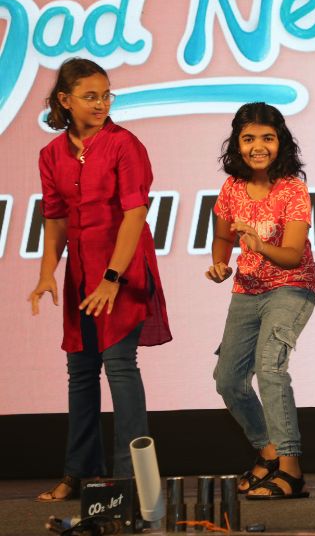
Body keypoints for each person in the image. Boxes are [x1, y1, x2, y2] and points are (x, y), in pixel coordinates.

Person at [28, 58, 172, 502]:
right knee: (81, 371)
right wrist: (46, 273)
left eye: (106, 95)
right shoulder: (51, 155)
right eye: (90, 96)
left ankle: (130, 481)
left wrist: (112, 277)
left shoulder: (124, 145)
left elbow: (135, 214)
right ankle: (79, 474)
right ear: (64, 100)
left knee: (120, 364)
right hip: (80, 275)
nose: (101, 103)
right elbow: (55, 219)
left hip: (121, 271)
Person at [207, 102, 315, 500]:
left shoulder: (293, 189)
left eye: (267, 138)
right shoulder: (231, 189)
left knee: (270, 368)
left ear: (280, 142)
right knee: (228, 380)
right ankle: (269, 454)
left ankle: (291, 470)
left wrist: (259, 244)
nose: (258, 146)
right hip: (247, 290)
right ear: (237, 144)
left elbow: (292, 255)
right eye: (249, 138)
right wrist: (220, 263)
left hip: (292, 286)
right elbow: (223, 237)